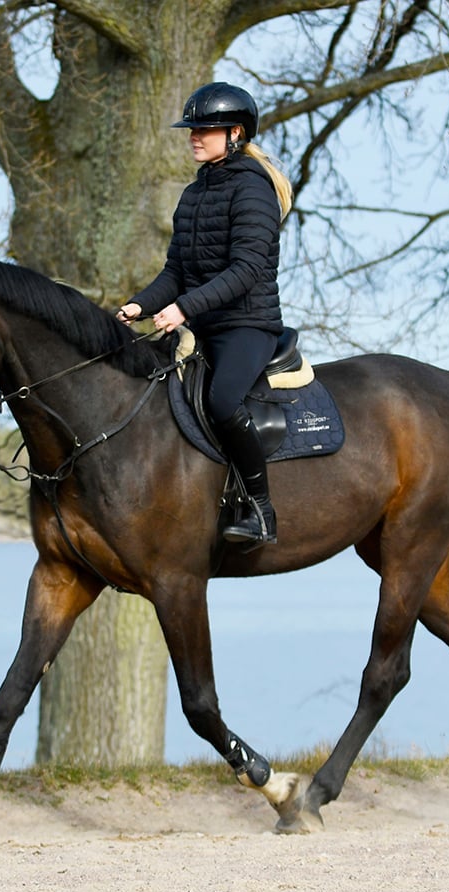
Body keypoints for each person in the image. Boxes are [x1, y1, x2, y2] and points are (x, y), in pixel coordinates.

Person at [117, 82, 293, 547]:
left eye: (205, 129)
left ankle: (260, 509)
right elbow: (175, 270)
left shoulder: (253, 190)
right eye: (192, 129)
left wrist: (183, 308)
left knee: (221, 402)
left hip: (247, 326)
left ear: (235, 132)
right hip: (203, 325)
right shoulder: (193, 194)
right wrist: (139, 304)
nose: (194, 136)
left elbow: (247, 268)